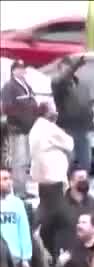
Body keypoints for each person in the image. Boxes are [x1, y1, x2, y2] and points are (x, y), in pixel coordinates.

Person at [29, 102, 73, 234]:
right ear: (47, 113)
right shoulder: (49, 128)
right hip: (53, 175)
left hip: (42, 175)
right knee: (55, 208)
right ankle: (32, 230)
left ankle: (33, 230)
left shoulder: (36, 126)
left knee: (45, 206)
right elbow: (69, 143)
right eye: (54, 111)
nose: (57, 113)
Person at [49, 55, 94, 174]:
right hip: (67, 129)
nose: (66, 70)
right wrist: (75, 66)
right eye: (63, 68)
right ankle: (66, 186)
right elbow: (63, 79)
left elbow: (87, 103)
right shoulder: (57, 84)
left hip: (83, 128)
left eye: (68, 67)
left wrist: (90, 119)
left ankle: (83, 185)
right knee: (68, 160)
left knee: (85, 161)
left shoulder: (81, 85)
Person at [1, 59, 38, 195]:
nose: (23, 70)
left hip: (28, 128)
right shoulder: (9, 87)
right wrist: (21, 118)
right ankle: (19, 191)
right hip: (18, 129)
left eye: (23, 68)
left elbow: (32, 102)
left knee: (26, 160)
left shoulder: (26, 86)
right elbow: (7, 108)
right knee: (19, 161)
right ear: (13, 71)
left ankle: (23, 189)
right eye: (19, 68)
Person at [0, 166, 36, 267]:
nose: (9, 182)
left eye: (9, 179)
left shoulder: (17, 204)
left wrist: (26, 258)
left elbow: (24, 231)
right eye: (4, 179)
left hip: (15, 260)